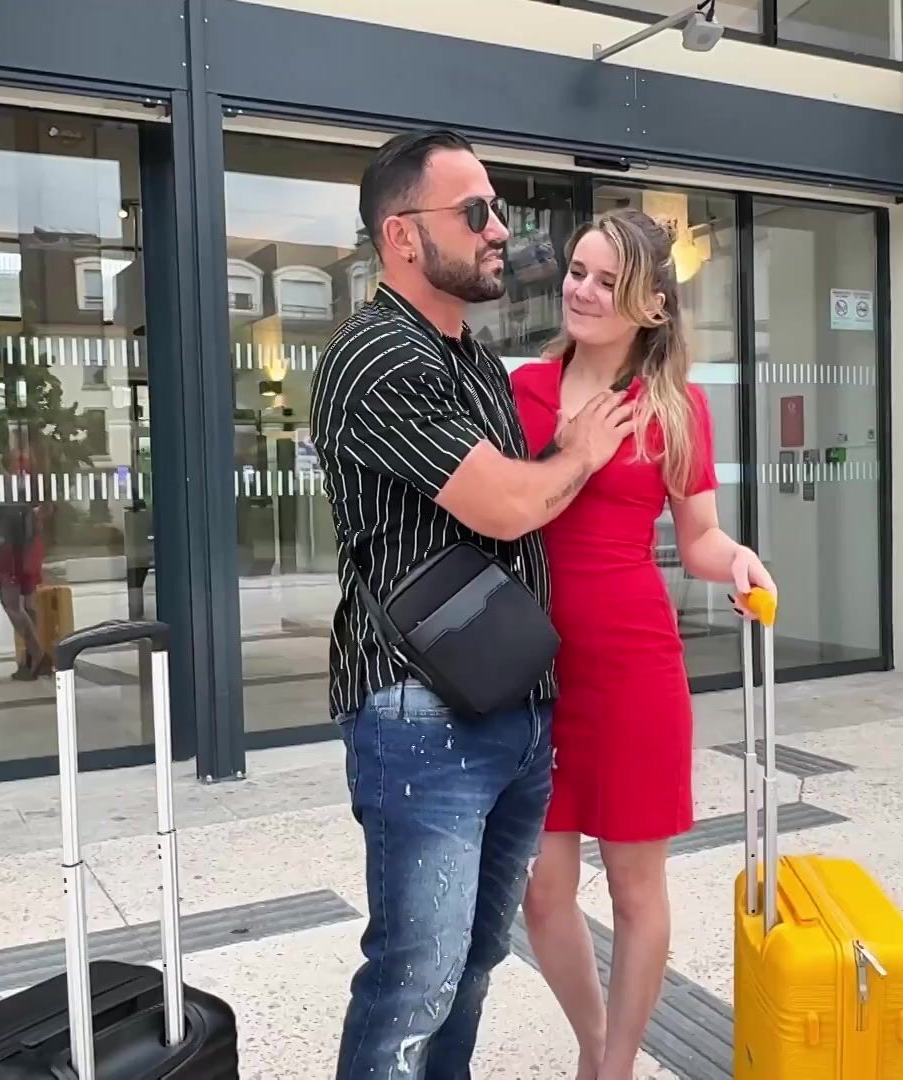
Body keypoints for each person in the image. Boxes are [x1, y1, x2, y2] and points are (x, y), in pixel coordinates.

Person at [309, 129, 637, 1080]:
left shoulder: (475, 362)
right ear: (402, 235)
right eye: (476, 212)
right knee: (414, 979)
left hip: (510, 708)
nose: (499, 230)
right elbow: (506, 502)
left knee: (471, 966)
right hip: (421, 715)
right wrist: (578, 452)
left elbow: (524, 508)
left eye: (497, 210)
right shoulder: (374, 355)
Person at [511, 208, 775, 1079]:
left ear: (652, 305)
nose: (582, 291)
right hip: (533, 672)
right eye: (576, 272)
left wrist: (737, 560)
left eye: (606, 280)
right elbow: (502, 513)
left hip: (632, 669)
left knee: (634, 887)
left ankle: (614, 1067)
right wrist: (572, 457)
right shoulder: (524, 391)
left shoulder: (676, 407)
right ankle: (595, 1042)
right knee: (541, 891)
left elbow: (698, 538)